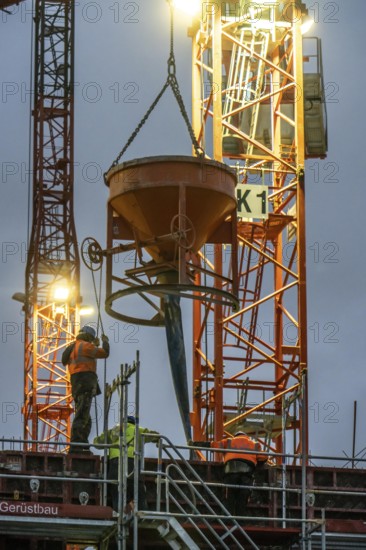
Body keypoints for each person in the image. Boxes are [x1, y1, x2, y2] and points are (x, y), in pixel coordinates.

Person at [191, 431, 268, 516]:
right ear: (246, 436)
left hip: (231, 472)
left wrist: (195, 444)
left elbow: (213, 445)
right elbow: (263, 457)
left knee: (229, 496)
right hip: (246, 474)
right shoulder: (255, 444)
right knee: (243, 497)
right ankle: (240, 520)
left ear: (235, 436)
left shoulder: (229, 441)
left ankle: (228, 520)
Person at [93, 416, 159, 513]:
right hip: (132, 462)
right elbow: (154, 435)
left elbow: (96, 443)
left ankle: (118, 513)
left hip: (115, 464)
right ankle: (143, 512)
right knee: (137, 489)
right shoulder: (138, 430)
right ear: (134, 422)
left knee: (117, 490)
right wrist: (158, 440)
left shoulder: (114, 431)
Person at [62, 325, 110, 453]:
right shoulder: (85, 346)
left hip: (77, 384)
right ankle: (77, 445)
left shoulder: (74, 346)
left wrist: (94, 344)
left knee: (85, 417)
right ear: (89, 336)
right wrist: (105, 342)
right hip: (85, 383)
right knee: (82, 416)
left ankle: (82, 443)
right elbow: (104, 353)